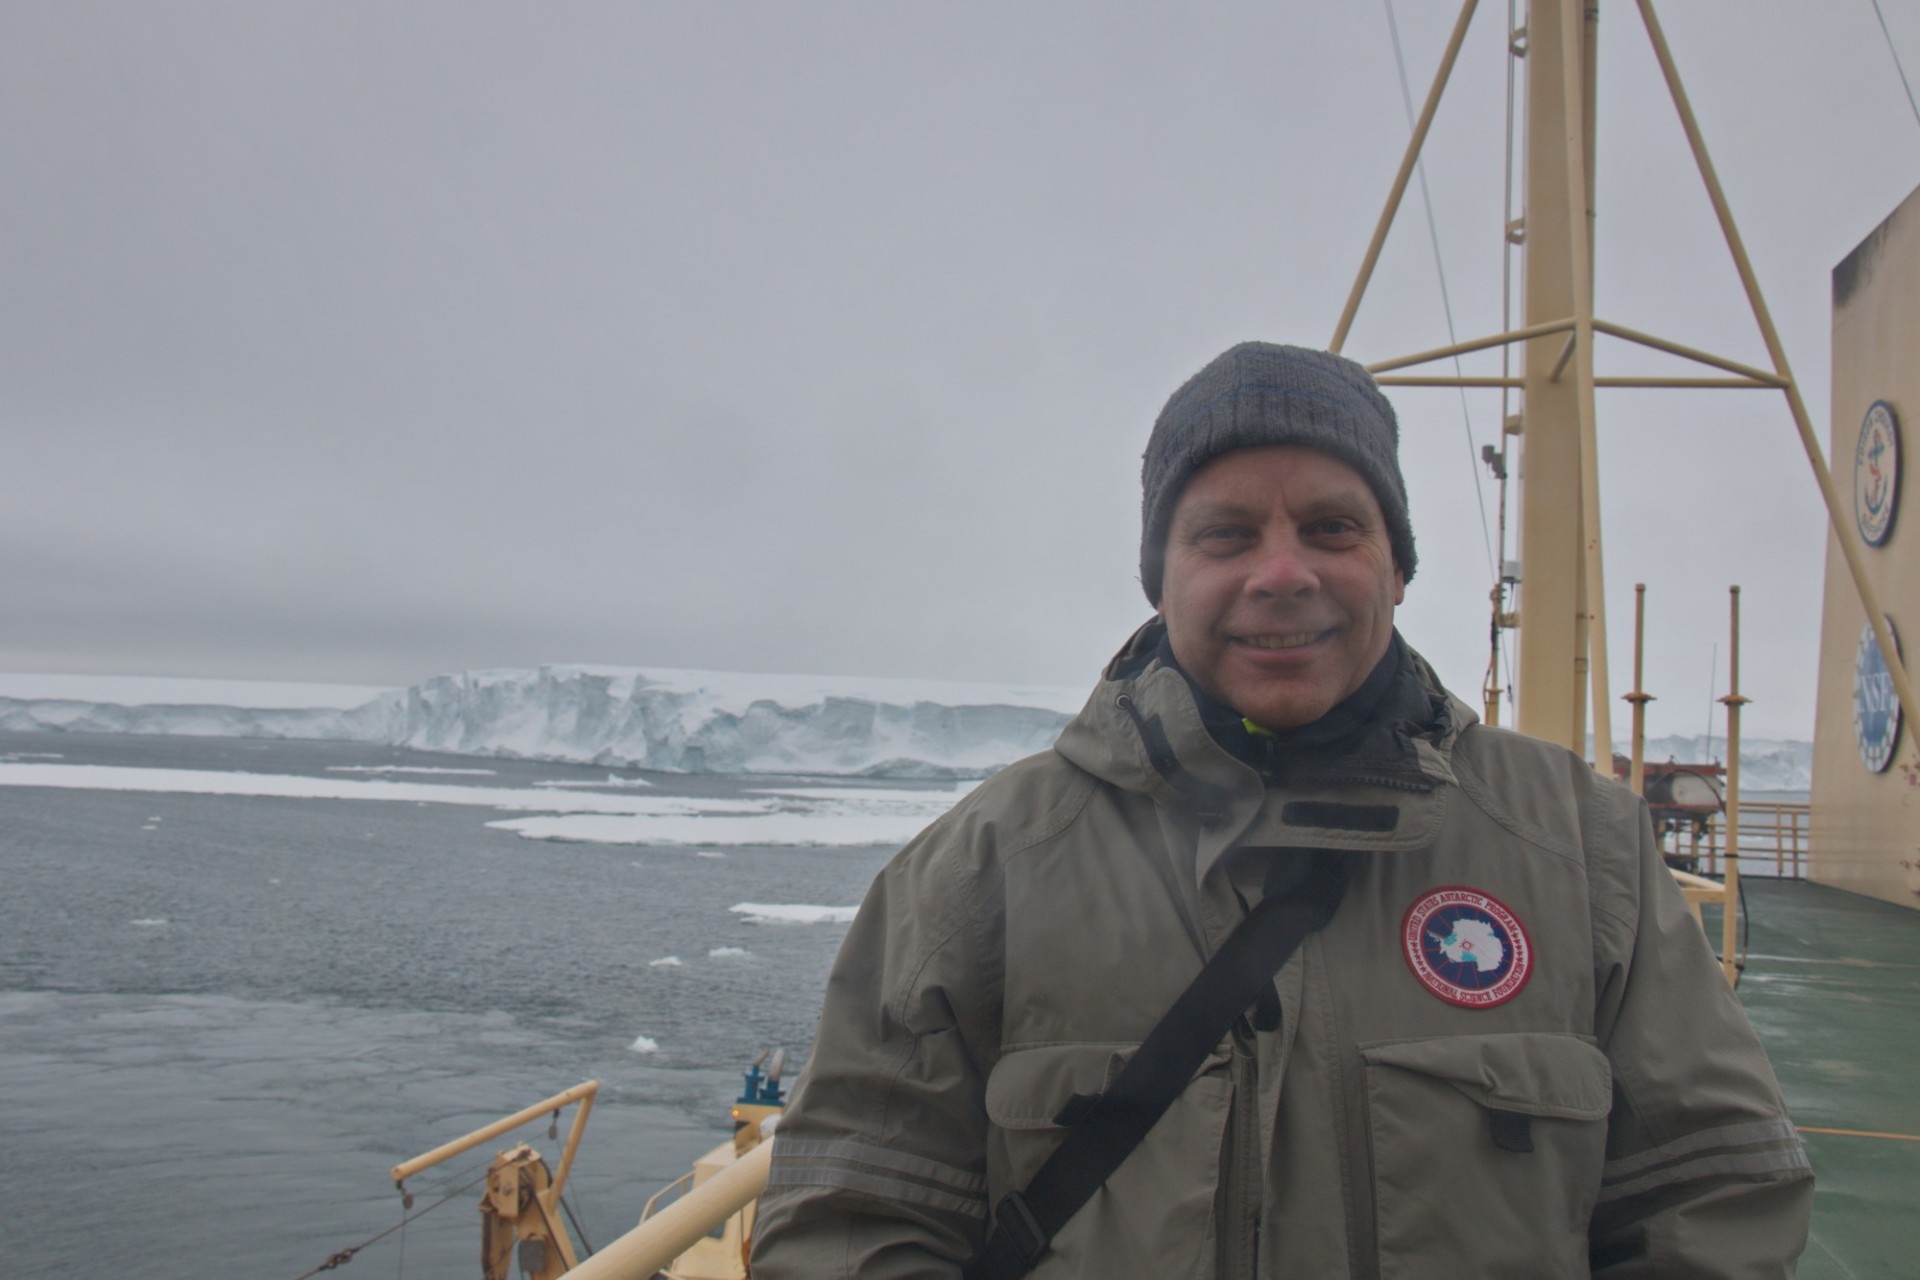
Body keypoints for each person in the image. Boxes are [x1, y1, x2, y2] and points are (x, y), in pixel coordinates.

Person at [750, 342, 1812, 1278]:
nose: (1283, 573)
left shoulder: (1583, 849)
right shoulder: (983, 868)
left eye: (1332, 525)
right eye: (1224, 534)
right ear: (1160, 579)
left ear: (1396, 564)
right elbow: (857, 1220)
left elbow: (1710, 1199)